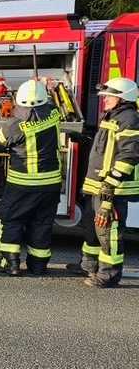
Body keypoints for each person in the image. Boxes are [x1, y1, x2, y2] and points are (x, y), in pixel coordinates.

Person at [67, 77, 139, 287]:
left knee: (109, 231)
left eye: (110, 96)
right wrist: (85, 140)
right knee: (91, 225)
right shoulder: (114, 117)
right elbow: (106, 149)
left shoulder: (130, 119)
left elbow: (129, 156)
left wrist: (110, 186)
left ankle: (109, 273)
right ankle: (88, 264)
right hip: (97, 185)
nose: (105, 100)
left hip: (112, 188)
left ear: (122, 99)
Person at [0, 80, 62, 276]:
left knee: (11, 219)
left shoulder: (16, 124)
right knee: (42, 223)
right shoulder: (54, 113)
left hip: (22, 183)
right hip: (51, 184)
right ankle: (38, 266)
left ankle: (10, 263)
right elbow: (47, 107)